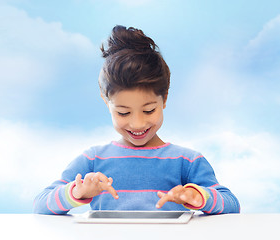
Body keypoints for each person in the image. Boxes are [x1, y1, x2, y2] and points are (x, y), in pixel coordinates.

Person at [33, 25, 240, 215]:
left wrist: (198, 196)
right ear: (106, 102)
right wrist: (76, 192)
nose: (138, 124)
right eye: (123, 113)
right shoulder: (94, 159)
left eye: (149, 110)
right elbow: (41, 204)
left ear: (164, 98)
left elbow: (231, 204)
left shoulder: (187, 162)